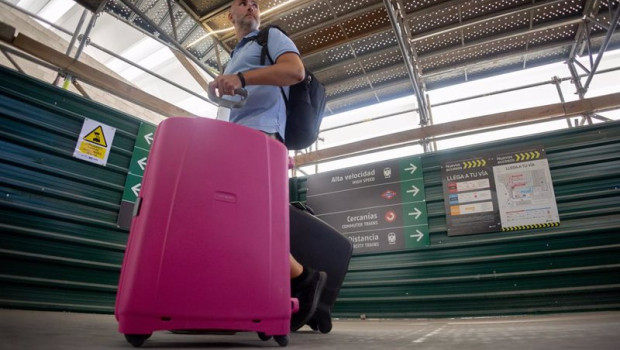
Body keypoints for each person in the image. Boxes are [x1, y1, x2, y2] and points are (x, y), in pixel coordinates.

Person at [209, 0, 327, 332]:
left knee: (246, 221)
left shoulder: (270, 36)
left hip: (263, 136)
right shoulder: (236, 53)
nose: (250, 6)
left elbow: (294, 71)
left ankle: (304, 279)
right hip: (238, 139)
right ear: (229, 15)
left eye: (255, 3)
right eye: (242, 3)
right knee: (238, 221)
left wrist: (241, 77)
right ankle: (305, 303)